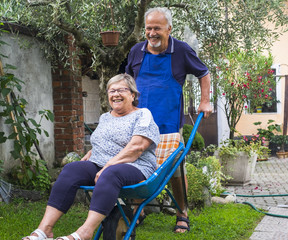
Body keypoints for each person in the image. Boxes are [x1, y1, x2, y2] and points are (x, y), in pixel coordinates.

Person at [22, 73, 160, 240]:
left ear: (132, 94)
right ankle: (45, 230)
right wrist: (91, 152)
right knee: (71, 169)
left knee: (111, 173)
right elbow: (102, 141)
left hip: (135, 166)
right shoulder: (105, 117)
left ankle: (85, 232)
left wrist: (109, 165)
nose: (115, 94)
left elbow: (136, 148)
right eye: (111, 91)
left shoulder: (143, 115)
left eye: (121, 90)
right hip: (101, 163)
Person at [125, 7, 213, 233]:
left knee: (175, 171)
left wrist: (205, 101)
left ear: (169, 29)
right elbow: (127, 82)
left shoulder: (181, 51)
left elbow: (203, 72)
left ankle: (182, 212)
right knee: (134, 166)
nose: (152, 33)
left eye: (157, 28)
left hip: (168, 125)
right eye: (148, 28)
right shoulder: (136, 51)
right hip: (138, 125)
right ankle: (138, 208)